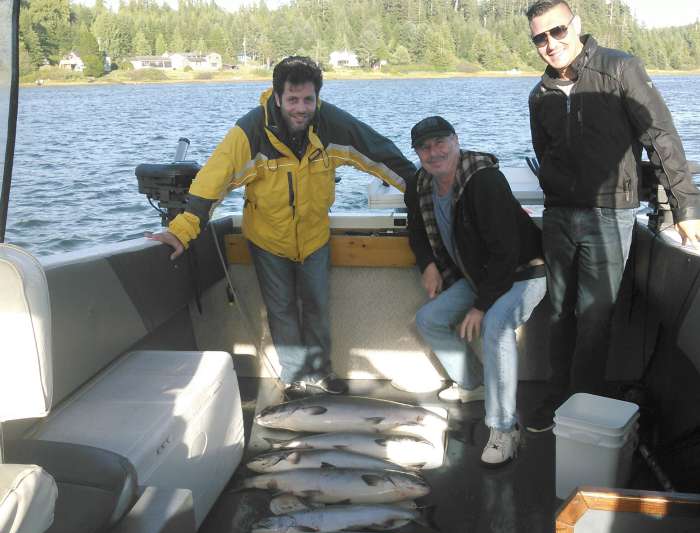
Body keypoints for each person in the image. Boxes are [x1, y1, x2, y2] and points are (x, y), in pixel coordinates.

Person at [148, 56, 415, 397]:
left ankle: (320, 373)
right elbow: (212, 183)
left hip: (314, 236)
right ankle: (296, 379)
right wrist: (182, 230)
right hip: (268, 239)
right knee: (282, 310)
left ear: (317, 98)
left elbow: (381, 156)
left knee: (317, 306)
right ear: (277, 97)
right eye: (292, 99)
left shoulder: (333, 125)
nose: (301, 108)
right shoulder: (250, 131)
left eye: (308, 100)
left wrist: (422, 191)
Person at [526, 0, 700, 431]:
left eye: (558, 31)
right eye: (540, 38)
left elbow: (660, 135)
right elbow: (544, 151)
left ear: (577, 26)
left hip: (610, 215)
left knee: (595, 316)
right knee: (559, 312)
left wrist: (686, 207)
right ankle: (555, 398)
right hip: (560, 216)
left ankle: (581, 409)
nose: (551, 44)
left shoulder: (620, 69)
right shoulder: (539, 95)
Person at [405, 116, 547, 467]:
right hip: (478, 276)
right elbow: (417, 231)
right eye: (425, 147)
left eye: (441, 142)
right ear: (417, 153)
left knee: (497, 327)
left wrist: (481, 307)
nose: (434, 152)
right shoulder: (420, 184)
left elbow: (507, 251)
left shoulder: (484, 180)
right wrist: (428, 265)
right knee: (429, 320)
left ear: (456, 140)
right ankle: (473, 384)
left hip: (525, 272)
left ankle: (503, 428)